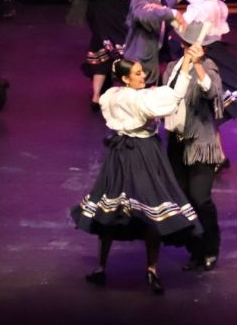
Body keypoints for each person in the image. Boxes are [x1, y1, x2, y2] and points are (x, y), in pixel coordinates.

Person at [71, 55, 204, 294]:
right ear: (125, 79)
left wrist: (184, 64)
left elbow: (157, 93)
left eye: (142, 71)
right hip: (143, 152)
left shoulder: (111, 95)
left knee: (111, 208)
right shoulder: (139, 99)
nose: (144, 76)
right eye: (138, 73)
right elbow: (172, 98)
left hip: (119, 152)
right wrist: (185, 68)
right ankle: (150, 269)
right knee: (152, 207)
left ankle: (103, 267)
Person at [163, 22, 225, 272]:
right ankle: (195, 249)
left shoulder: (208, 67)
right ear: (183, 44)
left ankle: (211, 247)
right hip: (177, 141)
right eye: (190, 45)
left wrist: (198, 65)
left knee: (200, 198)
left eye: (200, 47)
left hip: (200, 142)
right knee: (183, 199)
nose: (195, 49)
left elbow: (212, 92)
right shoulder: (172, 68)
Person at [123, 0, 186, 86]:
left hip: (150, 55)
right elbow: (144, 13)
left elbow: (160, 6)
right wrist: (172, 13)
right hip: (141, 59)